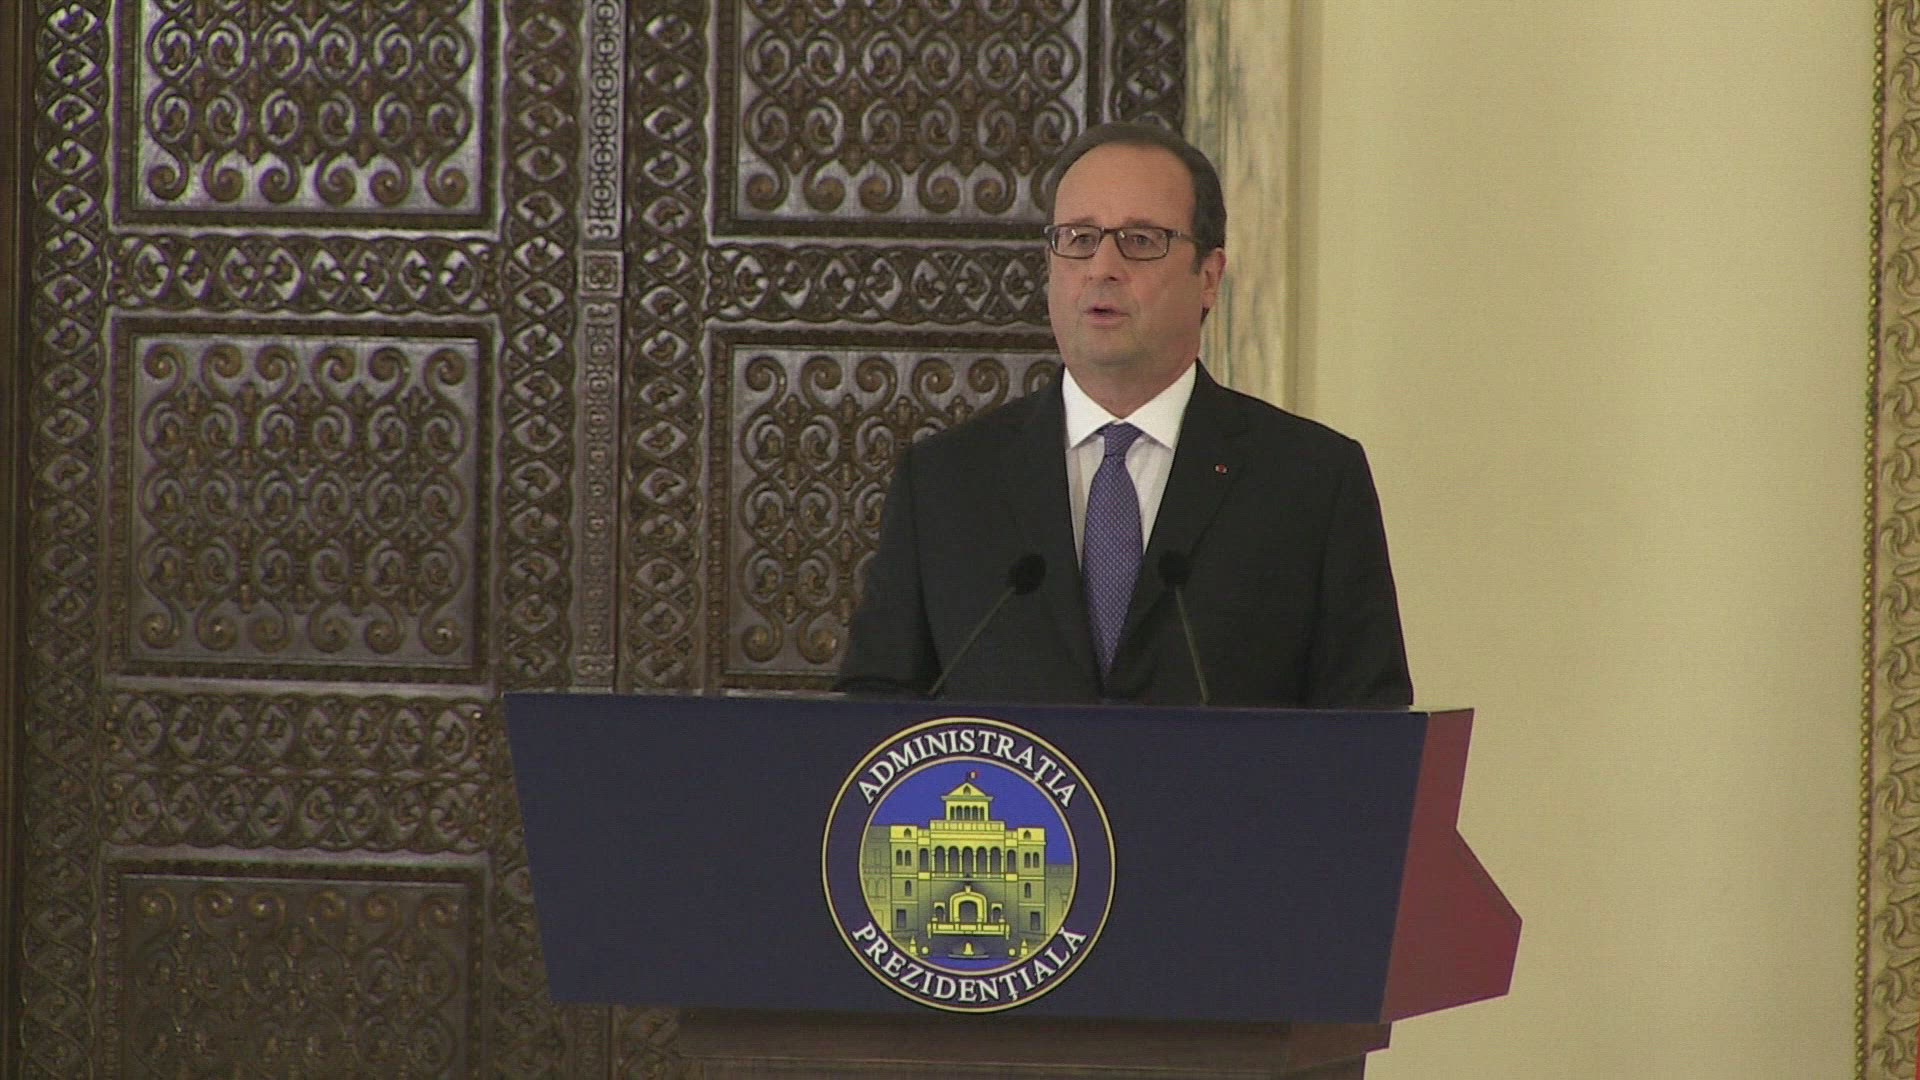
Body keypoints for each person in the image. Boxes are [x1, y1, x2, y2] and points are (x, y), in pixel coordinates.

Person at [835, 123, 1412, 709]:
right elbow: (877, 709)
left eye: (1140, 240)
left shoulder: (1312, 481)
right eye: (1078, 238)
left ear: (1209, 277)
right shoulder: (946, 481)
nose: (1102, 267)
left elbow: (1368, 724)